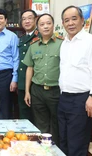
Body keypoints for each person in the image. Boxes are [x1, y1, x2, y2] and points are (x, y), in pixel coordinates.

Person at [58, 5, 92, 156]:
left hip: (82, 100)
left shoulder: (91, 41)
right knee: (63, 141)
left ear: (82, 20)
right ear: (63, 23)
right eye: (66, 20)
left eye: (74, 19)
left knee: (77, 144)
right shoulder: (64, 43)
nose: (70, 23)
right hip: (64, 98)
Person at [23, 13, 63, 146]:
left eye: (48, 23)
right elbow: (30, 68)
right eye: (42, 24)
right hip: (37, 90)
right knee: (40, 123)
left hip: (56, 91)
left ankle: (56, 152)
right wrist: (27, 91)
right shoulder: (33, 46)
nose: (45, 26)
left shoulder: (62, 44)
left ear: (53, 25)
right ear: (37, 28)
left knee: (57, 123)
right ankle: (43, 151)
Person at [17, 9, 40, 122]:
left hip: (35, 83)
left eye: (29, 18)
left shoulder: (40, 36)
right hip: (22, 82)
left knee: (36, 116)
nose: (26, 21)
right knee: (24, 115)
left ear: (36, 19)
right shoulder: (22, 38)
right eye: (24, 19)